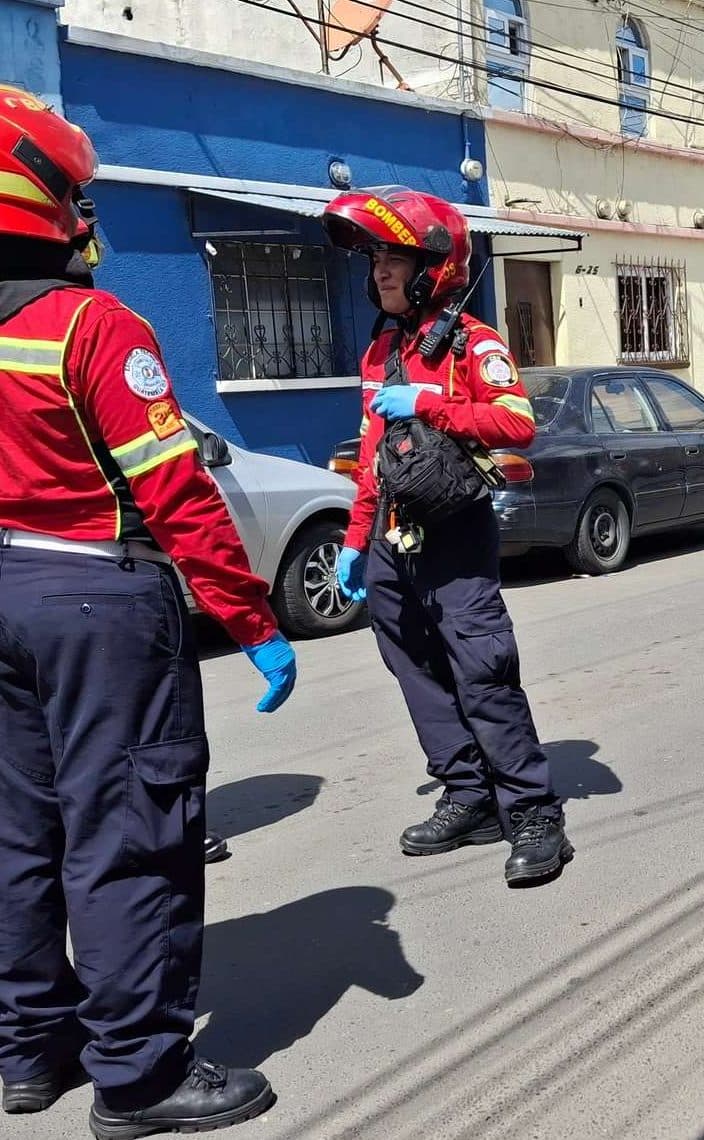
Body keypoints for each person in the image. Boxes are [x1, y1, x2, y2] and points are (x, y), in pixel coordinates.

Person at [0, 87, 289, 1133]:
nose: (90, 221)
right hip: (94, 597)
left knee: (17, 839)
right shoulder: (89, 324)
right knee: (130, 834)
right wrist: (252, 622)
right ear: (46, 205)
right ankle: (140, 1077)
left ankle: (32, 1051)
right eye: (79, 199)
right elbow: (175, 491)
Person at [323, 186, 572, 887]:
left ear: (434, 266)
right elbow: (377, 451)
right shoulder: (381, 348)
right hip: (390, 539)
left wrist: (433, 402)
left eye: (394, 259)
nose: (380, 273)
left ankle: (532, 813)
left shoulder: (473, 342)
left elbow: (517, 422)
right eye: (375, 261)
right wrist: (353, 539)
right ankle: (468, 794)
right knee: (417, 675)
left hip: (454, 533)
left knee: (481, 670)